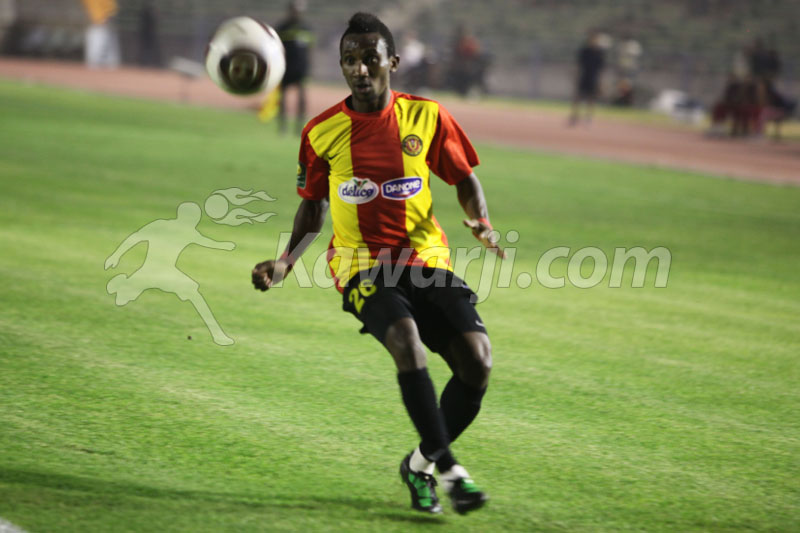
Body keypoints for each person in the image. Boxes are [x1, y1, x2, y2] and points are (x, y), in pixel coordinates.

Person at [251, 12, 505, 515]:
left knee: (477, 361)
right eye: (349, 60)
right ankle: (452, 472)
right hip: (361, 266)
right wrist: (284, 262)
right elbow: (312, 207)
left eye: (369, 58)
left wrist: (480, 221)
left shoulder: (427, 116)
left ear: (391, 61)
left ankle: (419, 465)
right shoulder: (322, 132)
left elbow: (464, 177)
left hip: (426, 258)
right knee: (407, 344)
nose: (359, 69)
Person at [275, 0, 315, 134]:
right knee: (282, 97)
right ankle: (283, 126)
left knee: (302, 98)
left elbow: (310, 50)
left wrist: (309, 67)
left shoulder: (306, 28)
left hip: (301, 69)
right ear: (290, 10)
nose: (296, 13)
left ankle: (299, 127)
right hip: (285, 68)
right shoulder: (282, 28)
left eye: (299, 10)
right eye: (294, 10)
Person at [568, 32, 606, 126]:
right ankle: (574, 117)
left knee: (591, 98)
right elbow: (578, 65)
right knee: (578, 97)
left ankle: (588, 118)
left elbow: (601, 69)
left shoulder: (600, 53)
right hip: (584, 76)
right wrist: (575, 77)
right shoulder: (585, 51)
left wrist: (601, 83)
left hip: (594, 77)